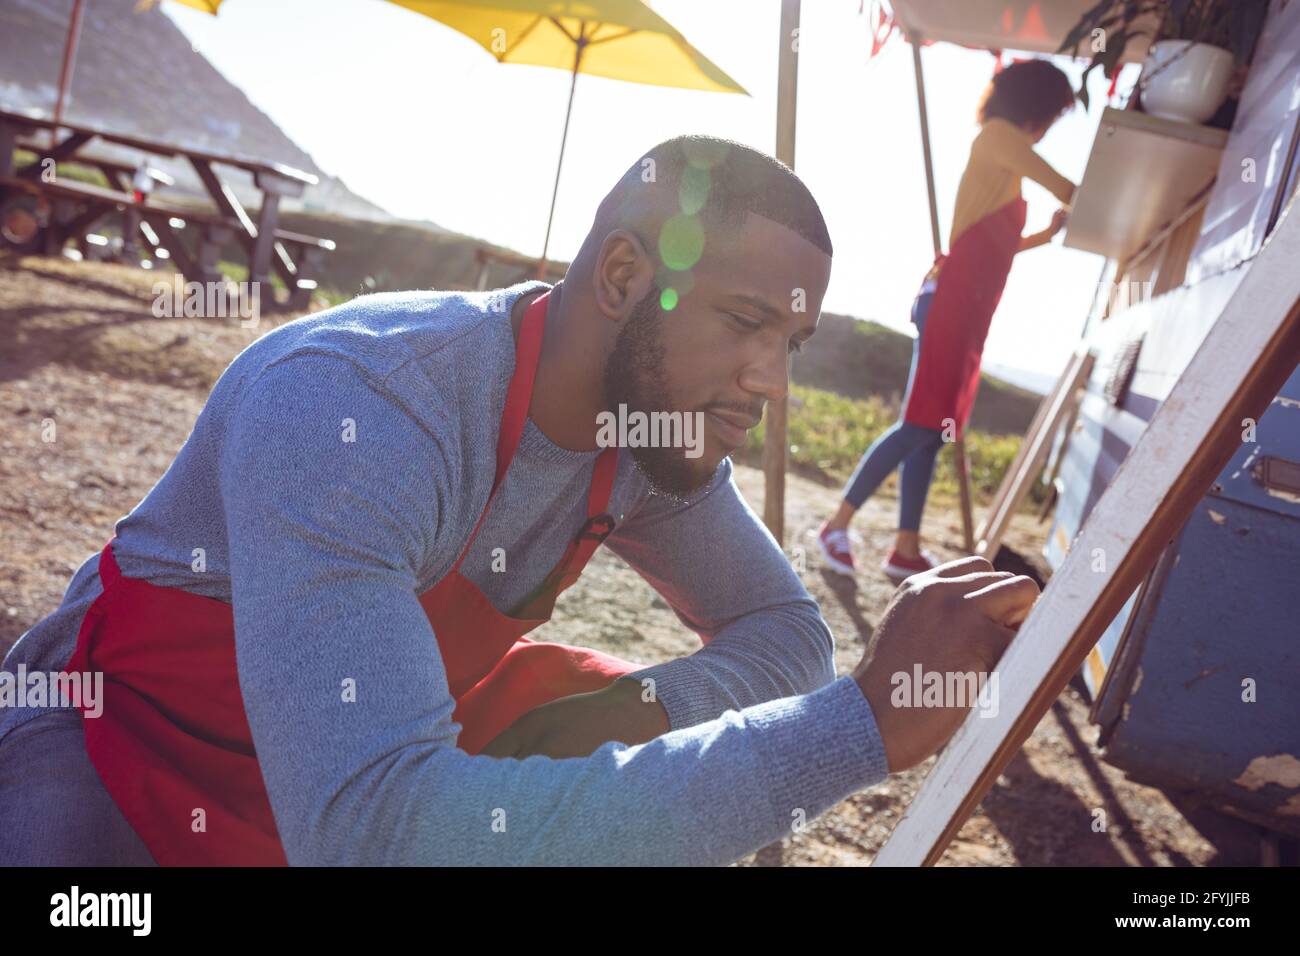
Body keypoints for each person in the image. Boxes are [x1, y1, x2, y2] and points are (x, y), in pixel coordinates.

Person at [0, 135, 1038, 866]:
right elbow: (374, 837)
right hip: (121, 736)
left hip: (367, 764)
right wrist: (855, 730)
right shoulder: (356, 405)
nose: (770, 380)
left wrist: (623, 718)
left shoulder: (649, 435)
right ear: (624, 275)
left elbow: (785, 632)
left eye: (791, 343)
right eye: (743, 319)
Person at [818, 59, 1077, 584]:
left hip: (968, 306)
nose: (1048, 128)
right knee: (918, 422)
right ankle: (834, 527)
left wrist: (1044, 239)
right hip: (951, 301)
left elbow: (994, 245)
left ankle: (905, 549)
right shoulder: (999, 137)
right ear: (1036, 109)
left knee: (934, 430)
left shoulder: (1000, 151)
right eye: (1051, 115)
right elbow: (1066, 188)